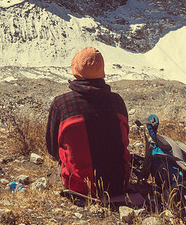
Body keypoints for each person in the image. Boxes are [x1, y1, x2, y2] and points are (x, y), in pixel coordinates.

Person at [46, 46, 131, 198]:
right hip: (118, 184)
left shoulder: (61, 103)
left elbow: (52, 149)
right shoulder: (117, 101)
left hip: (78, 185)